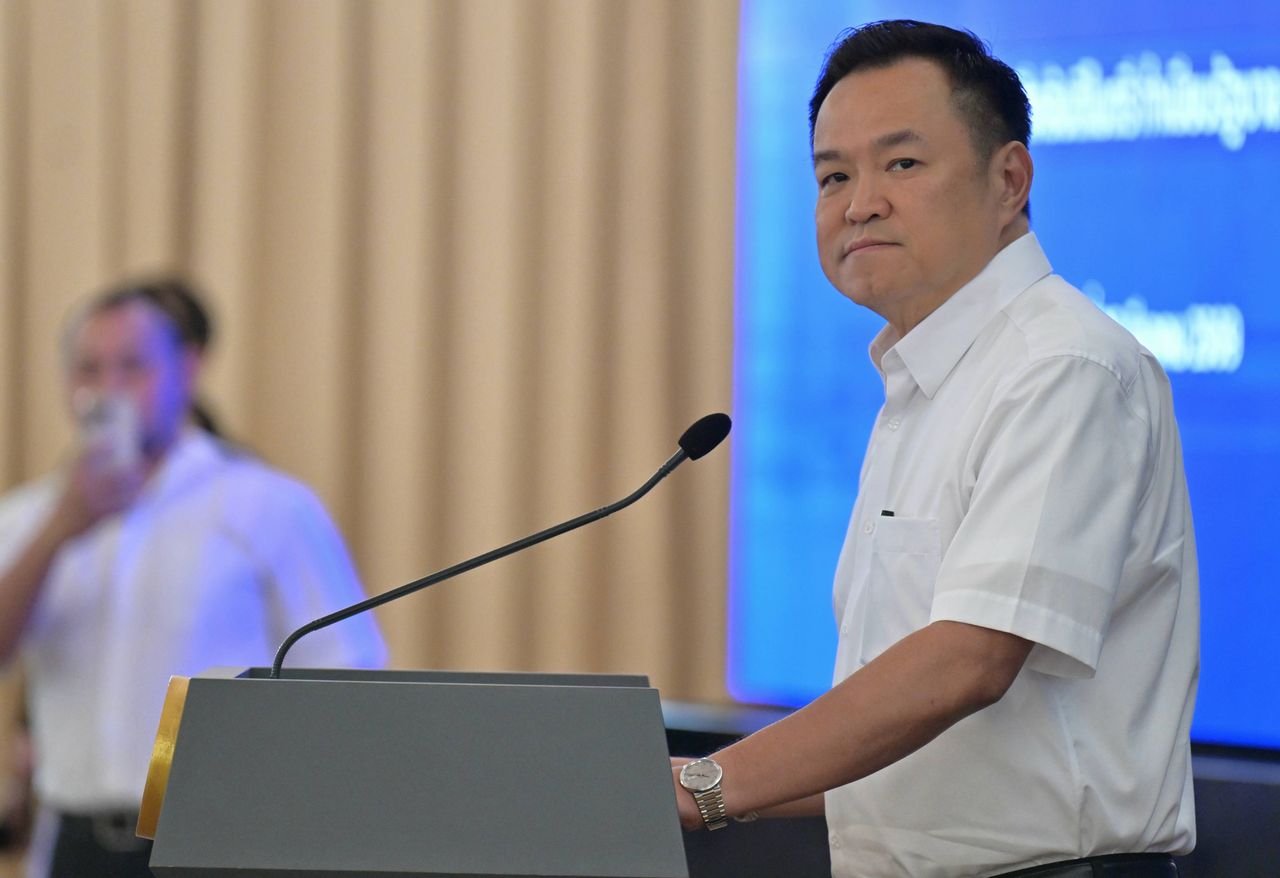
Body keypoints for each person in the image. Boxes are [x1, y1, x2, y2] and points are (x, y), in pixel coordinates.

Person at [672, 20, 1197, 878]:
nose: (859, 203)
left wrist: (706, 787)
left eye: (902, 163)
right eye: (833, 176)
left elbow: (967, 663)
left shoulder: (1061, 366)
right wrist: (686, 784)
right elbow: (909, 755)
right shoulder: (923, 387)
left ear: (1009, 180)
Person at [0, 278, 388, 878]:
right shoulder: (29, 517)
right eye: (88, 369)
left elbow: (347, 675)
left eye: (133, 366)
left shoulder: (266, 505)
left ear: (187, 368)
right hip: (72, 843)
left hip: (217, 839)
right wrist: (60, 529)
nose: (108, 389)